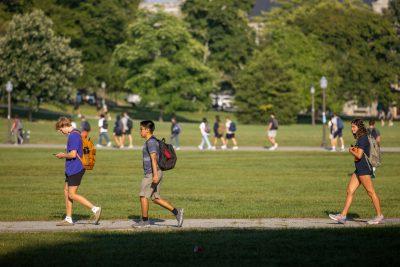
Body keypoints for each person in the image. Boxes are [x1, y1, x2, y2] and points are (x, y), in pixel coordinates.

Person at [329, 118, 384, 225]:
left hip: (363, 169)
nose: (352, 129)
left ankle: (379, 215)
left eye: (354, 127)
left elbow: (359, 155)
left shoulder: (363, 138)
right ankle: (343, 216)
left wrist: (351, 150)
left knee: (371, 192)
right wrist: (355, 149)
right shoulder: (360, 138)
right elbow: (360, 153)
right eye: (351, 127)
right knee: (350, 190)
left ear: (359, 127)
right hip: (358, 169)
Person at [133, 120, 184, 228]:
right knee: (155, 198)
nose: (140, 131)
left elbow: (153, 158)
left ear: (147, 130)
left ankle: (145, 222)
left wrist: (155, 175)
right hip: (156, 172)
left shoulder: (151, 142)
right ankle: (177, 212)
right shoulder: (151, 141)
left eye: (141, 129)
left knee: (143, 195)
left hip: (152, 173)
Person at [54, 117, 102, 226]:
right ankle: (68, 218)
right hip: (71, 168)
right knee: (66, 191)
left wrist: (62, 155)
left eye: (61, 130)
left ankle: (95, 209)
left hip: (76, 168)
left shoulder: (73, 136)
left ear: (64, 126)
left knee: (71, 194)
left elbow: (73, 154)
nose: (61, 132)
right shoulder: (75, 133)